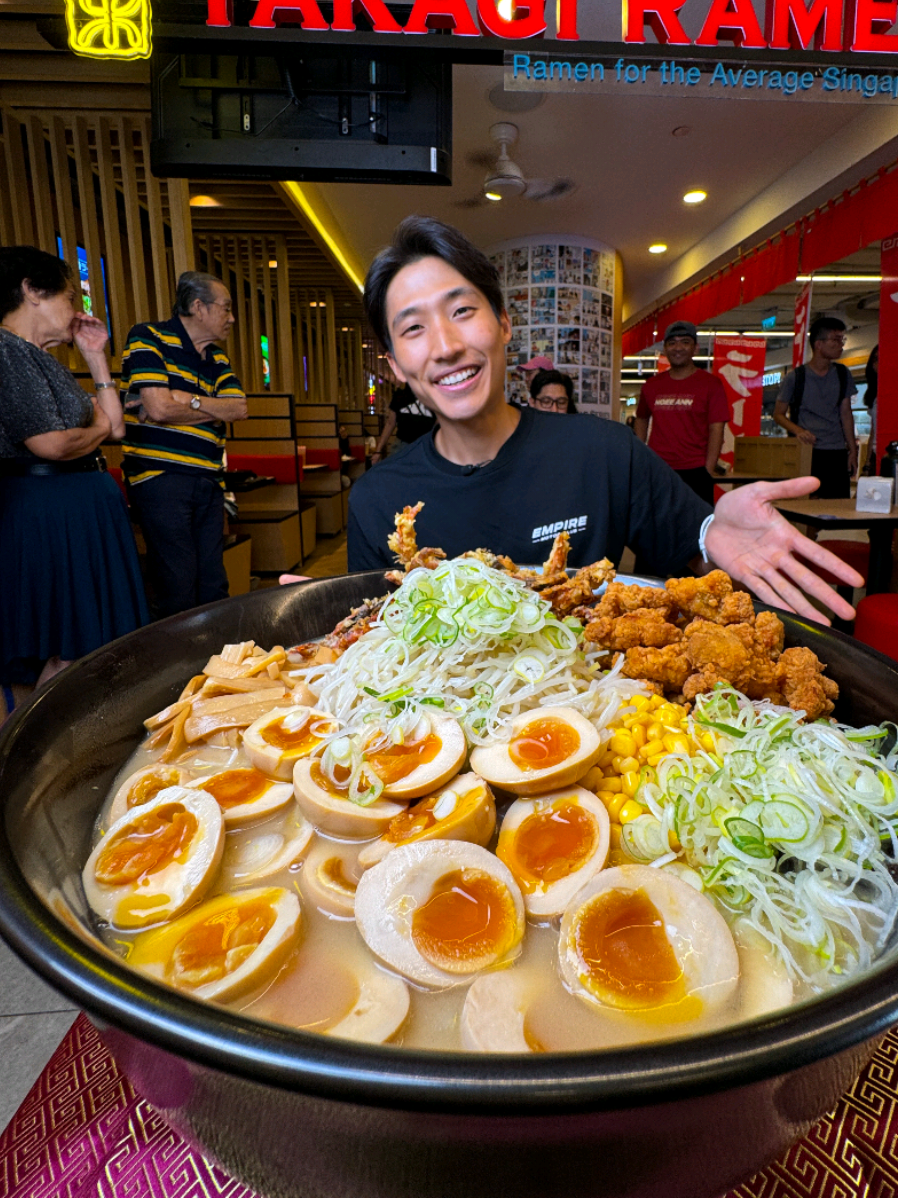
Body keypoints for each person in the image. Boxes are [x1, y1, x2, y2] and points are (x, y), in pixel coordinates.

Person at [348, 216, 861, 624]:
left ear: (503, 324)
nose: (446, 346)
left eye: (461, 311)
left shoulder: (604, 452)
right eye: (414, 328)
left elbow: (696, 543)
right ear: (395, 366)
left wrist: (715, 535)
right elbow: (372, 635)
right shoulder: (377, 499)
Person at [0, 246, 148, 715]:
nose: (79, 311)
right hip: (49, 508)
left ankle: (49, 741)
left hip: (77, 506)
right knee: (70, 639)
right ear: (31, 292)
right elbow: (53, 444)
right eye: (69, 296)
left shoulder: (43, 359)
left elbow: (116, 428)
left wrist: (95, 356)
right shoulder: (7, 351)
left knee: (83, 638)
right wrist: (101, 428)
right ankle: (29, 746)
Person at [119, 271, 248, 618]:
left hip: (208, 480)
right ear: (198, 307)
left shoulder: (217, 359)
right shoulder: (148, 337)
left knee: (213, 586)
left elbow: (238, 407)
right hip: (161, 478)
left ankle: (217, 667)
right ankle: (179, 668)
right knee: (177, 587)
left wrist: (185, 399)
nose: (231, 318)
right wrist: (203, 405)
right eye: (226, 308)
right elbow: (159, 408)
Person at [634, 321, 729, 506]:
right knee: (657, 528)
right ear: (665, 348)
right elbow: (641, 417)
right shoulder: (651, 385)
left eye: (685, 342)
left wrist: (707, 470)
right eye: (672, 343)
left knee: (696, 531)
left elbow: (717, 429)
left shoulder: (711, 385)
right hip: (658, 469)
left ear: (695, 348)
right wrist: (641, 455)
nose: (678, 348)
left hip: (696, 471)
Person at [773, 316, 858, 499]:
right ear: (818, 344)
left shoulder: (843, 374)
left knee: (837, 507)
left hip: (836, 451)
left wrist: (852, 450)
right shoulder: (796, 377)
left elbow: (846, 414)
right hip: (807, 451)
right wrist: (798, 431)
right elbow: (778, 414)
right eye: (835, 340)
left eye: (842, 340)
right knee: (808, 506)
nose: (841, 345)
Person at [370, 383, 436, 464]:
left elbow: (439, 425)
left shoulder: (432, 397)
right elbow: (390, 423)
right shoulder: (400, 396)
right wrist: (378, 451)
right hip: (403, 443)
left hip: (425, 446)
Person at [862, 344, 879, 475]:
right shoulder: (874, 395)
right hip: (875, 453)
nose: (877, 364)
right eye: (875, 359)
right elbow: (874, 430)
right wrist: (867, 463)